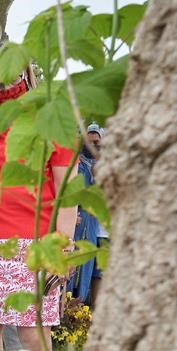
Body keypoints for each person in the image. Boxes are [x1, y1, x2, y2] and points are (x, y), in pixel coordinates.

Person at [0, 66, 79, 351]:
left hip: (35, 246)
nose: (5, 82)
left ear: (26, 72)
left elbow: (68, 193)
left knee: (34, 335)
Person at [69, 123, 105, 306]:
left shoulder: (105, 166)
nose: (92, 146)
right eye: (88, 142)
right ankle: (63, 312)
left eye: (96, 142)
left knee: (87, 267)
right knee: (69, 267)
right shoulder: (75, 165)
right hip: (73, 220)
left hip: (92, 223)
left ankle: (78, 314)